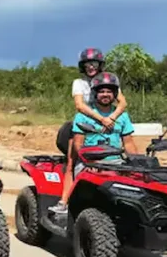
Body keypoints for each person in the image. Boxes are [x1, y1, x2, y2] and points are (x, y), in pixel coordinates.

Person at [51, 72, 136, 215]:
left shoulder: (122, 116)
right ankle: (65, 204)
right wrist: (91, 162)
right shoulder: (83, 116)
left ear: (115, 94)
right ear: (95, 93)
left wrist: (136, 162)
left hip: (116, 163)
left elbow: (128, 143)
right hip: (89, 163)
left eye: (109, 91)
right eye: (101, 91)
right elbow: (78, 145)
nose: (105, 94)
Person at [73, 48, 127, 128]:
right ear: (83, 66)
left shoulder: (109, 81)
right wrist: (102, 120)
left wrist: (112, 118)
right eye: (87, 65)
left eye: (94, 64)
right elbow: (79, 105)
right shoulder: (79, 83)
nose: (91, 67)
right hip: (87, 117)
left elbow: (123, 103)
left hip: (109, 116)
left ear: (100, 65)